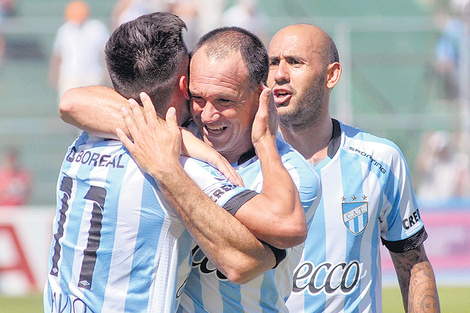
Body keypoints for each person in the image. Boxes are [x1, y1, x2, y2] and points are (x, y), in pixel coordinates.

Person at [59, 26, 320, 312]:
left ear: (260, 96)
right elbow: (74, 101)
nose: (207, 115)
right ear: (185, 88)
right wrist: (181, 139)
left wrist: (264, 142)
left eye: (225, 101)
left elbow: (259, 250)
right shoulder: (184, 135)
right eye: (198, 97)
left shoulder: (294, 176)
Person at [267, 24, 440, 312]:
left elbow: (413, 265)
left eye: (295, 62)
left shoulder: (381, 159)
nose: (279, 74)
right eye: (273, 62)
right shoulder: (245, 160)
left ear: (331, 75)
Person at [48, 0, 110, 103]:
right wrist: (54, 74)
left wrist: (108, 73)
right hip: (70, 75)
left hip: (93, 75)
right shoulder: (65, 30)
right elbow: (58, 55)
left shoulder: (97, 28)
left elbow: (105, 53)